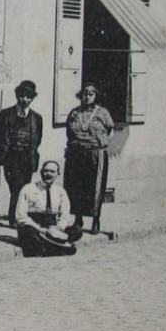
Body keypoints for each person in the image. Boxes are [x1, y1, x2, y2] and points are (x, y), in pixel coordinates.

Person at [64, 82, 115, 235]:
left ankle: (95, 219)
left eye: (91, 93)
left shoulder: (103, 113)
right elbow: (69, 132)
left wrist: (101, 143)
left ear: (96, 96)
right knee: (76, 185)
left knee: (95, 186)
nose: (87, 96)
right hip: (77, 153)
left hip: (95, 153)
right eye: (85, 93)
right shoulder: (74, 113)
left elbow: (110, 131)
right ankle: (78, 219)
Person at [0, 79, 44, 226]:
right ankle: (15, 218)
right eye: (22, 96)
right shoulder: (6, 114)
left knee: (22, 187)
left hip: (28, 157)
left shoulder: (37, 118)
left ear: (32, 98)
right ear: (17, 96)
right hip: (11, 156)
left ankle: (16, 217)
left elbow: (38, 138)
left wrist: (30, 151)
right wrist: (4, 150)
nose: (25, 99)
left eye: (28, 97)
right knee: (17, 186)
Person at [16, 160, 80, 257]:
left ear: (58, 174)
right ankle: (53, 246)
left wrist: (59, 228)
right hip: (34, 226)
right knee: (28, 232)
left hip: (52, 227)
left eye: (52, 172)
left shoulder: (60, 192)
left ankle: (49, 245)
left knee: (77, 230)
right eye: (45, 171)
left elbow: (65, 215)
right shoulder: (28, 189)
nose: (48, 174)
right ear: (41, 172)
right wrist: (39, 229)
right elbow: (20, 216)